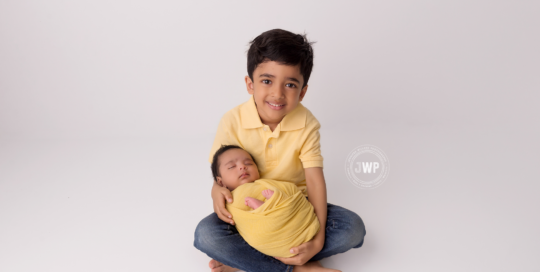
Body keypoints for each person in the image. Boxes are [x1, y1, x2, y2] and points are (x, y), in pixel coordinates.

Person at [194, 28, 366, 272]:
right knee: (206, 236)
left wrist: (316, 242)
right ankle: (297, 268)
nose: (277, 93)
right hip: (250, 216)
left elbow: (315, 183)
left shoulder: (307, 124)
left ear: (303, 92)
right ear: (250, 84)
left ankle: (250, 263)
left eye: (290, 84)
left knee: (352, 228)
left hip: (295, 209)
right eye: (266, 81)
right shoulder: (232, 121)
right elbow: (221, 171)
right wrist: (215, 190)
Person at [210, 144, 320, 258]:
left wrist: (282, 198)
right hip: (272, 236)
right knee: (206, 236)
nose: (242, 167)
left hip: (300, 225)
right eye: (232, 166)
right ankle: (265, 206)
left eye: (248, 163)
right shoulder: (230, 197)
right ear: (221, 182)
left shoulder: (267, 183)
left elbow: (292, 191)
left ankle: (254, 262)